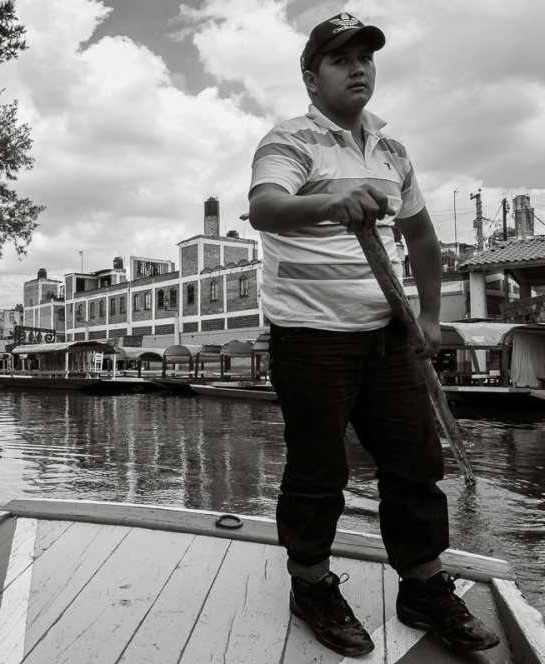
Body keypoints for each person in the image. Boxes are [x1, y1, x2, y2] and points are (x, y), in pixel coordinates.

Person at [247, 13, 500, 657]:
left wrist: (430, 318)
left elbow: (421, 239)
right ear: (312, 78)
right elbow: (266, 209)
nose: (359, 68)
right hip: (309, 333)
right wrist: (332, 202)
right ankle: (311, 583)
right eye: (341, 59)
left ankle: (421, 584)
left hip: (385, 332)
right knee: (319, 468)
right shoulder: (289, 140)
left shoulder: (393, 152)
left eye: (366, 58)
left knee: (415, 462)